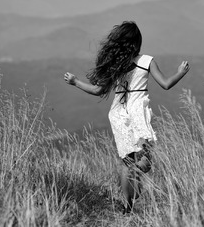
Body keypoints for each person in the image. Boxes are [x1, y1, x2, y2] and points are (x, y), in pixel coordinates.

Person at [63, 21, 190, 213]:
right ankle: (136, 178)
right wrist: (181, 73)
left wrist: (75, 82)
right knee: (145, 160)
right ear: (137, 42)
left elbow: (98, 91)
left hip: (118, 113)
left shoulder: (116, 65)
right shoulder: (146, 61)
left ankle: (127, 207)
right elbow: (165, 84)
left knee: (127, 161)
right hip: (137, 111)